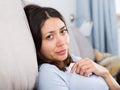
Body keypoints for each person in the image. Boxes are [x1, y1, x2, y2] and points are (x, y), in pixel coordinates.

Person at [24, 4, 120, 90]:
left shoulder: (74, 59)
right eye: (49, 36)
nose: (62, 42)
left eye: (63, 31)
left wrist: (105, 73)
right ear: (37, 42)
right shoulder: (47, 73)